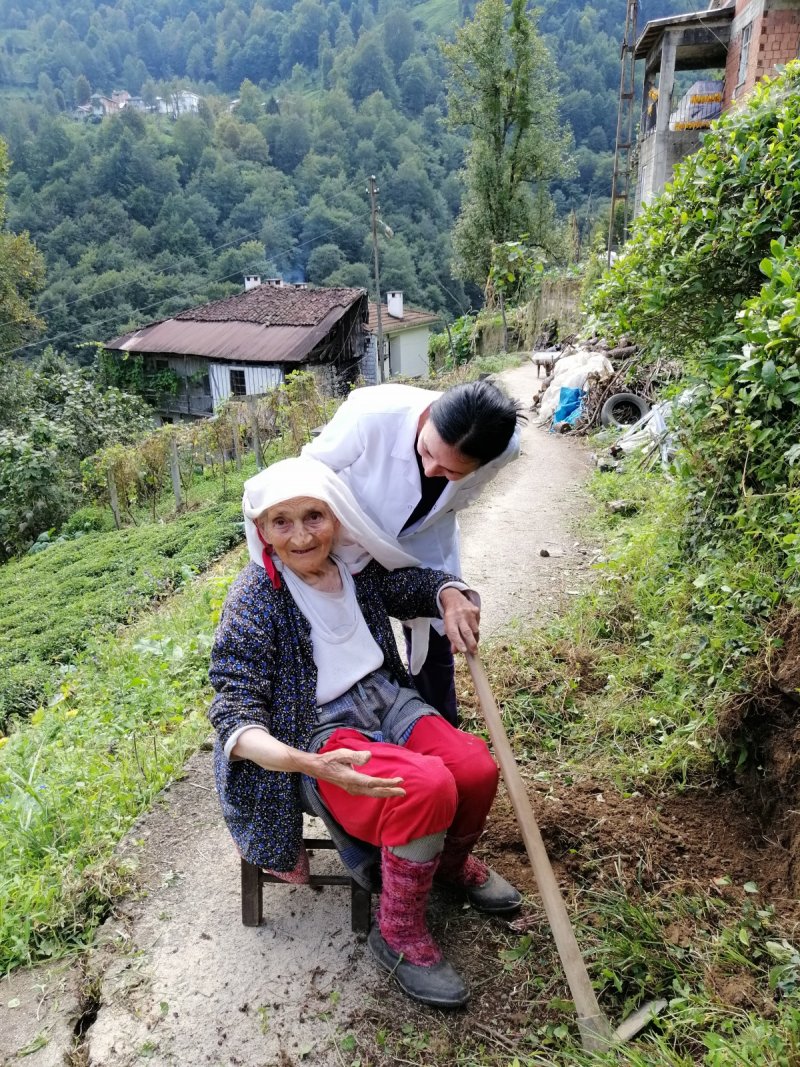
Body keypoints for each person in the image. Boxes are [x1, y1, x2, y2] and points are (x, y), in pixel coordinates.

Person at [209, 457, 521, 1009]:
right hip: (317, 731)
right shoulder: (254, 600)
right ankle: (397, 930)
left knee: (475, 769)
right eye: (282, 522)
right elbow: (234, 711)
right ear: (262, 530)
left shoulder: (353, 569)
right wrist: (308, 764)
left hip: (386, 699)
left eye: (314, 517)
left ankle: (446, 866)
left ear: (337, 518)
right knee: (423, 788)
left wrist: (449, 593)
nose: (302, 536)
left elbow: (410, 586)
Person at [303, 379, 525, 726]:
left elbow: (462, 497)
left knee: (437, 635)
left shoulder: (505, 449)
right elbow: (309, 472)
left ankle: (439, 724)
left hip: (425, 537)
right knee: (348, 630)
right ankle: (362, 722)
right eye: (427, 451)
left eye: (451, 471)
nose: (431, 471)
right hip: (353, 531)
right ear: (430, 413)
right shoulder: (371, 414)